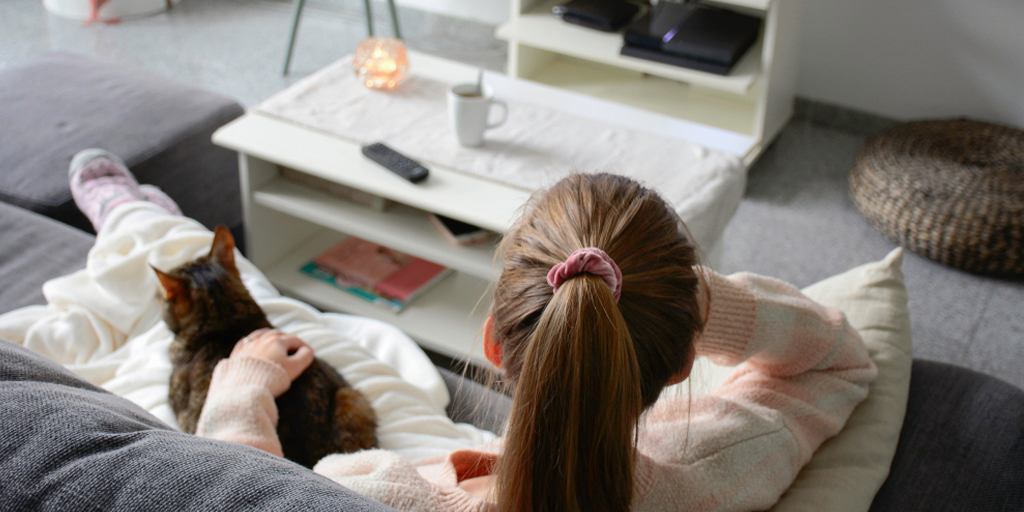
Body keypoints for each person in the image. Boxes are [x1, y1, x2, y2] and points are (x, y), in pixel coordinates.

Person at [69, 153, 877, 512]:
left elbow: (232, 494)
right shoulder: (704, 476)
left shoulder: (374, 490)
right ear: (675, 371)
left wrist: (241, 396)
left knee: (294, 323)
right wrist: (687, 299)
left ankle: (134, 220)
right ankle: (138, 219)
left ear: (492, 343)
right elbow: (837, 361)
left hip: (378, 433)